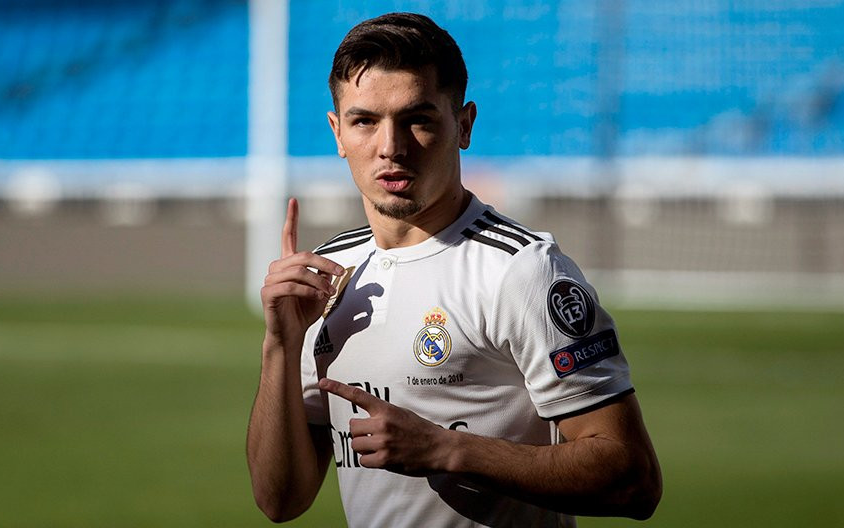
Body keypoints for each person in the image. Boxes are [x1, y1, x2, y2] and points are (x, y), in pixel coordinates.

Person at [247, 12, 661, 527]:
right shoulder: (330, 275)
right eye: (364, 121)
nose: (391, 147)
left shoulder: (523, 272)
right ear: (337, 131)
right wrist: (280, 346)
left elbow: (633, 479)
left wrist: (447, 450)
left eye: (418, 119)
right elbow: (280, 500)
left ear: (463, 125)